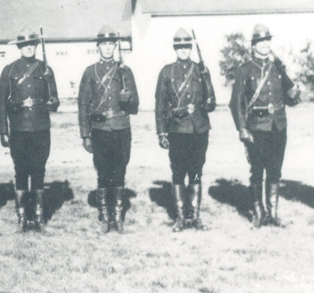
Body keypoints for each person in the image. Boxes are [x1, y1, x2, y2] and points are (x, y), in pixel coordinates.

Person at [230, 24, 300, 228]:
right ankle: (258, 213)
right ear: (253, 45)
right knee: (257, 171)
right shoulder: (245, 70)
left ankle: (273, 213)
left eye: (268, 41)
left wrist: (295, 95)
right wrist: (242, 128)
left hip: (278, 126)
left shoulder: (278, 67)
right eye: (261, 41)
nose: (265, 45)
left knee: (275, 170)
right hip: (257, 127)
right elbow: (236, 103)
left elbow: (290, 97)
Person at [0, 27, 59, 232]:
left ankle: (38, 217)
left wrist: (53, 102)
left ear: (36, 46)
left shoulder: (45, 69)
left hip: (40, 127)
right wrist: (3, 131)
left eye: (32, 44)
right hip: (19, 128)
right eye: (24, 45)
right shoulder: (10, 70)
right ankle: (23, 217)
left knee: (39, 171)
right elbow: (0, 103)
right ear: (19, 47)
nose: (29, 48)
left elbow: (55, 98)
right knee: (21, 171)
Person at [78, 26, 139, 233]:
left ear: (115, 46)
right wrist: (85, 135)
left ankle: (118, 217)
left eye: (110, 44)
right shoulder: (90, 72)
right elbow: (83, 105)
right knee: (103, 173)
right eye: (103, 44)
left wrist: (128, 98)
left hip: (121, 128)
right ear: (98, 47)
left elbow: (136, 106)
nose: (107, 48)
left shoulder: (125, 71)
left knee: (120, 172)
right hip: (100, 129)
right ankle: (105, 217)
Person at [154, 28, 216, 231]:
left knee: (196, 171)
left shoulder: (201, 70)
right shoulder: (166, 72)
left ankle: (195, 217)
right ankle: (181, 217)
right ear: (175, 48)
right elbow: (160, 105)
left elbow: (211, 104)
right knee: (178, 172)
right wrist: (162, 132)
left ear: (191, 48)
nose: (183, 50)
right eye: (179, 47)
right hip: (177, 130)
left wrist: (208, 97)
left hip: (199, 130)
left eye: (186, 47)